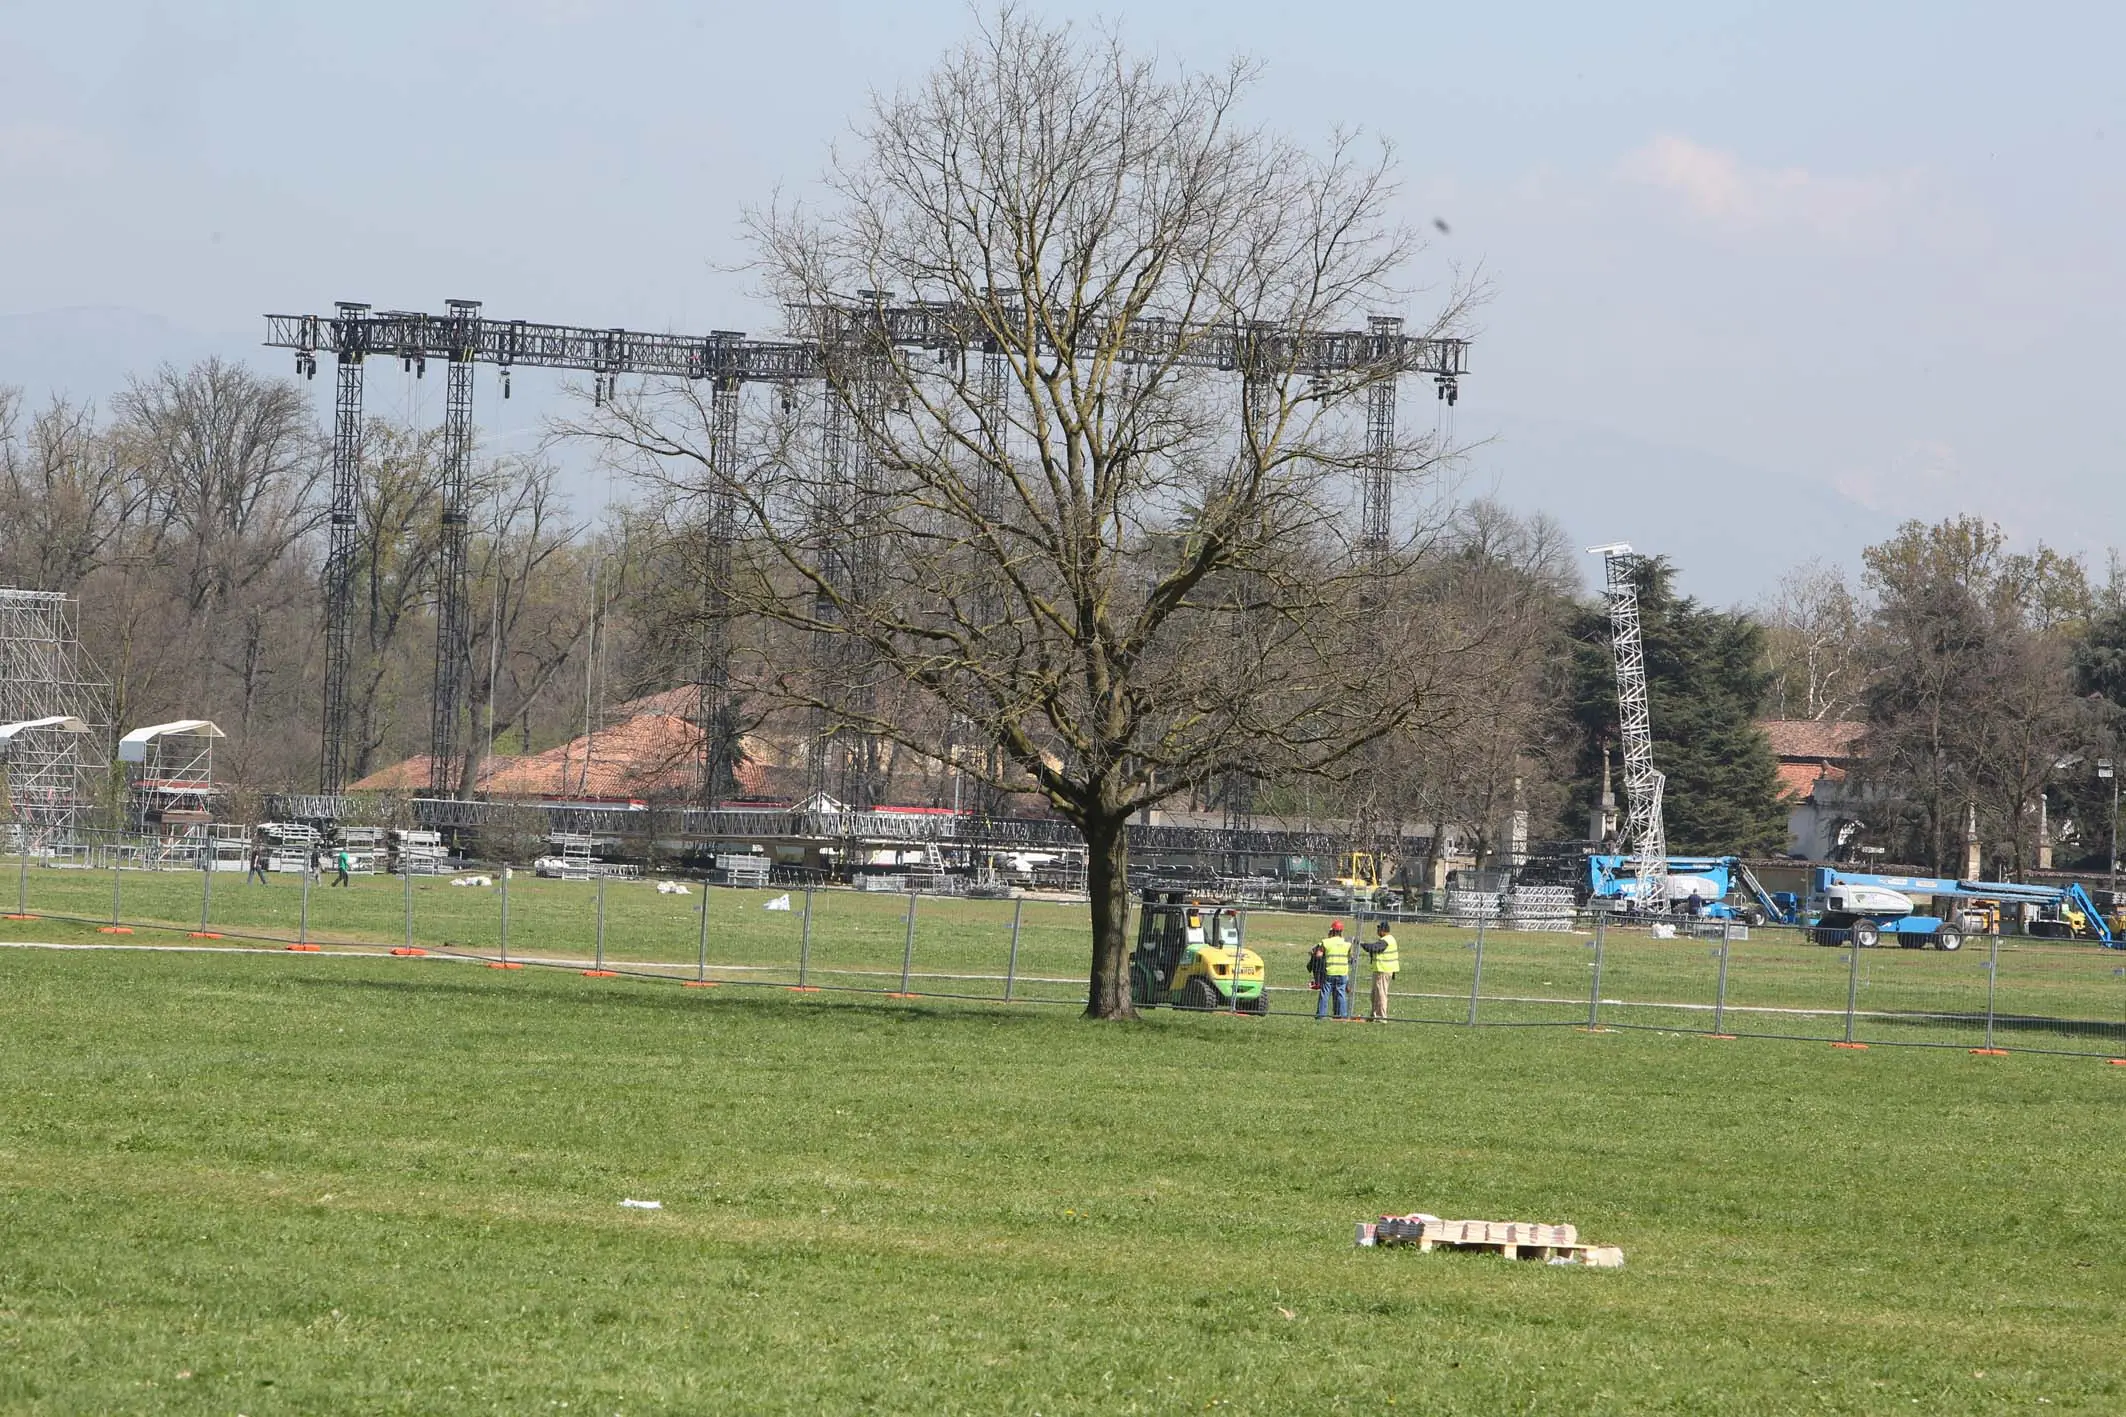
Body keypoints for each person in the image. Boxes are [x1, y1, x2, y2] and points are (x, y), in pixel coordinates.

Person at [1361, 920, 1399, 1022]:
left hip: (1383, 971)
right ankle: (1373, 1015)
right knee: (1374, 995)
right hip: (1379, 970)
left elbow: (1375, 948)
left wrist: (1363, 944)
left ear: (1383, 930)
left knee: (1381, 995)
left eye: (1379, 929)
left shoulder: (1387, 940)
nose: (1377, 931)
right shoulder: (1385, 940)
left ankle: (1381, 1017)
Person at [1315, 920, 1352, 1020]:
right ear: (1341, 931)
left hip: (1330, 971)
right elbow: (1350, 957)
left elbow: (1318, 955)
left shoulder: (1326, 942)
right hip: (1342, 972)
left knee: (1325, 994)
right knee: (1341, 994)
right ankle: (1342, 1016)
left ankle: (1321, 1016)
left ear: (1332, 930)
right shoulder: (1347, 943)